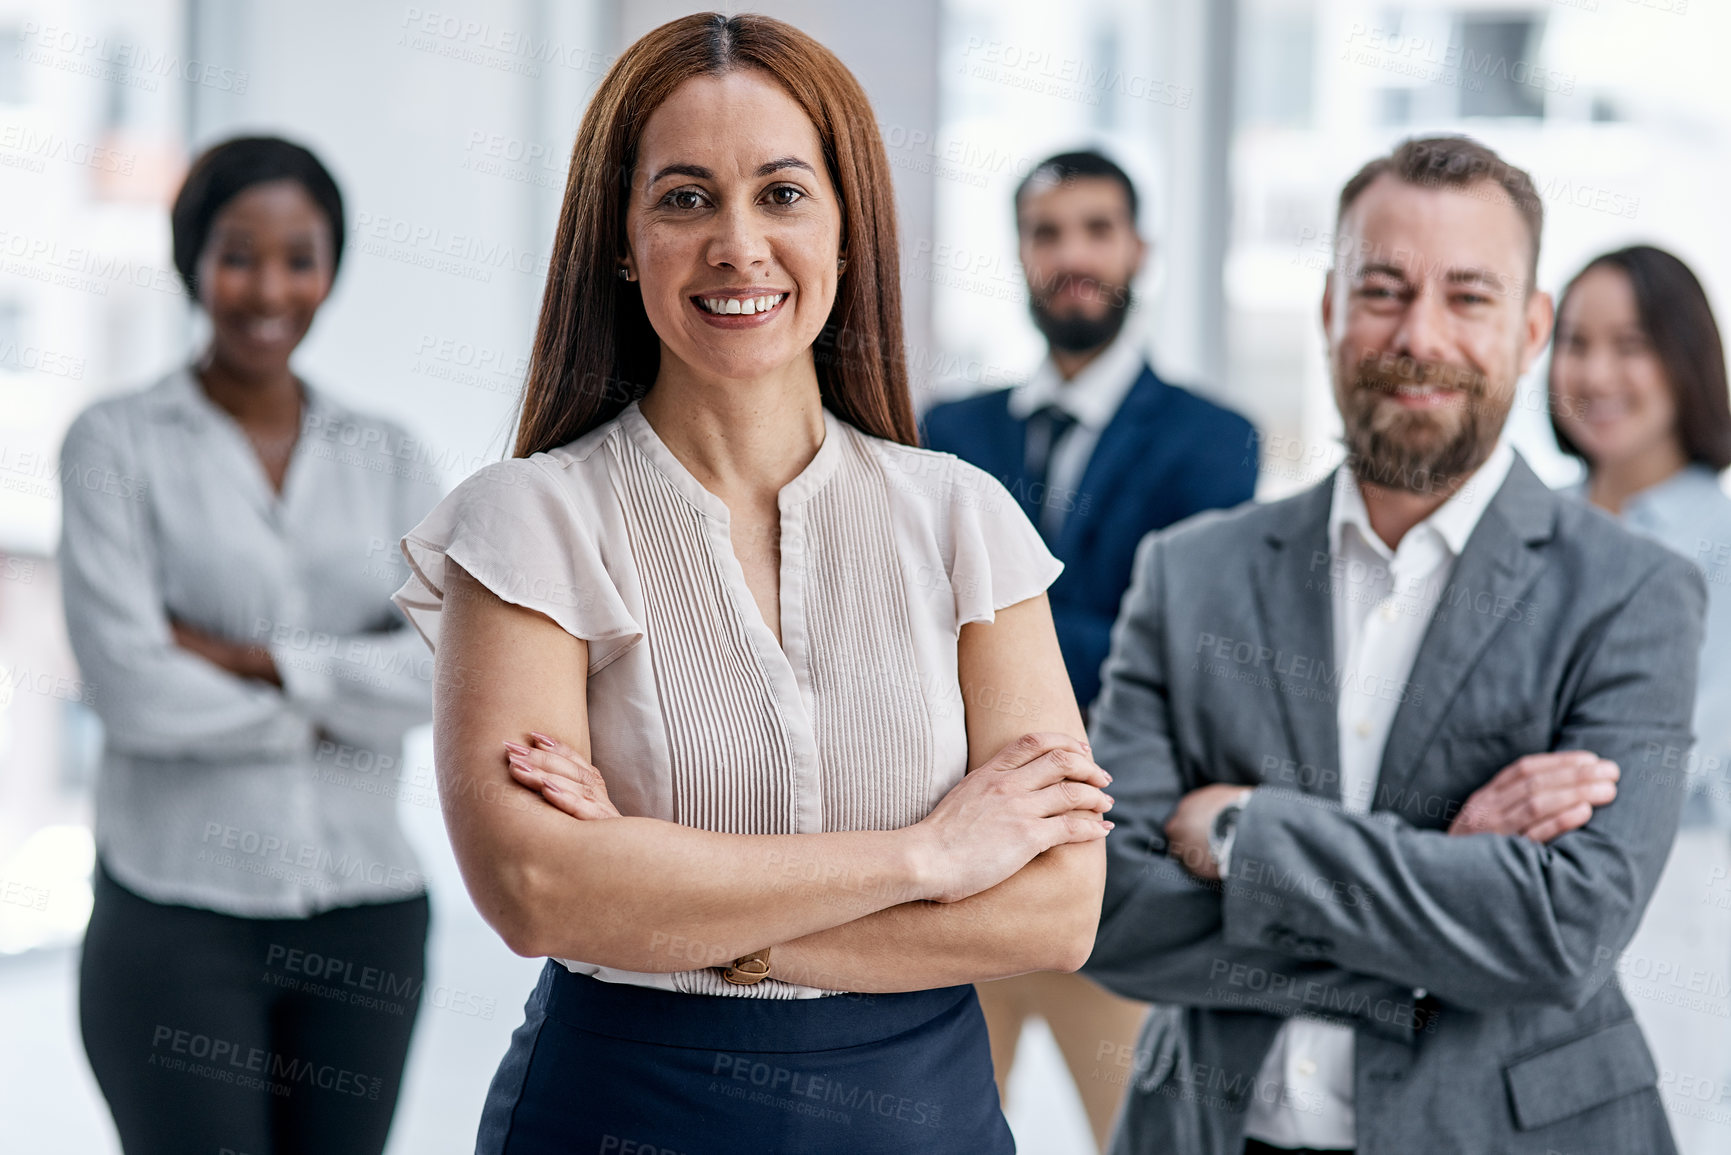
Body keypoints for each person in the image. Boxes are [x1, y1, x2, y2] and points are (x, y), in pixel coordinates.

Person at [387, 13, 1113, 1154]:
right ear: (622, 240)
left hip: (920, 1119)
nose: (738, 245)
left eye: (782, 194)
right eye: (684, 199)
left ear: (844, 227)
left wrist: (690, 912)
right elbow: (535, 886)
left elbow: (1060, 909)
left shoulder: (964, 519)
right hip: (619, 1113)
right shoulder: (526, 523)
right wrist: (927, 859)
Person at [1083, 134, 1705, 1155]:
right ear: (1329, 308)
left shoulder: (1635, 592)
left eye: (1469, 296)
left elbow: (1562, 935)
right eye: (1382, 288)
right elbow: (1108, 911)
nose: (1420, 335)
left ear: (1530, 328)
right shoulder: (1188, 572)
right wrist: (1444, 904)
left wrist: (1250, 833)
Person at [62, 136, 440, 1154]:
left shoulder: (390, 455)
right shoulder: (115, 443)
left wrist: (249, 659)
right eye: (238, 254)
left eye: (299, 257)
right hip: (179, 916)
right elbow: (134, 690)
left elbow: (443, 675)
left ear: (331, 267)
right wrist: (337, 695)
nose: (268, 288)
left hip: (367, 912)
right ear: (193, 262)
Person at [923, 148, 1258, 1150]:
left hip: (1116, 878)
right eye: (1046, 232)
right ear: (1020, 253)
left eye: (1096, 230)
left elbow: (1183, 655)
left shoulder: (1213, 437)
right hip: (951, 871)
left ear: (1139, 249)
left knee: (1149, 1136)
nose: (1072, 255)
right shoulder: (950, 429)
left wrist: (976, 630)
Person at [1548, 244, 1731, 1155]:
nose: (1595, 372)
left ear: (1684, 359)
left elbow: (1671, 751)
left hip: (1673, 890)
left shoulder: (1722, 543)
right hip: (1509, 887)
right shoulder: (1520, 523)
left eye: (1630, 344)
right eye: (1575, 343)